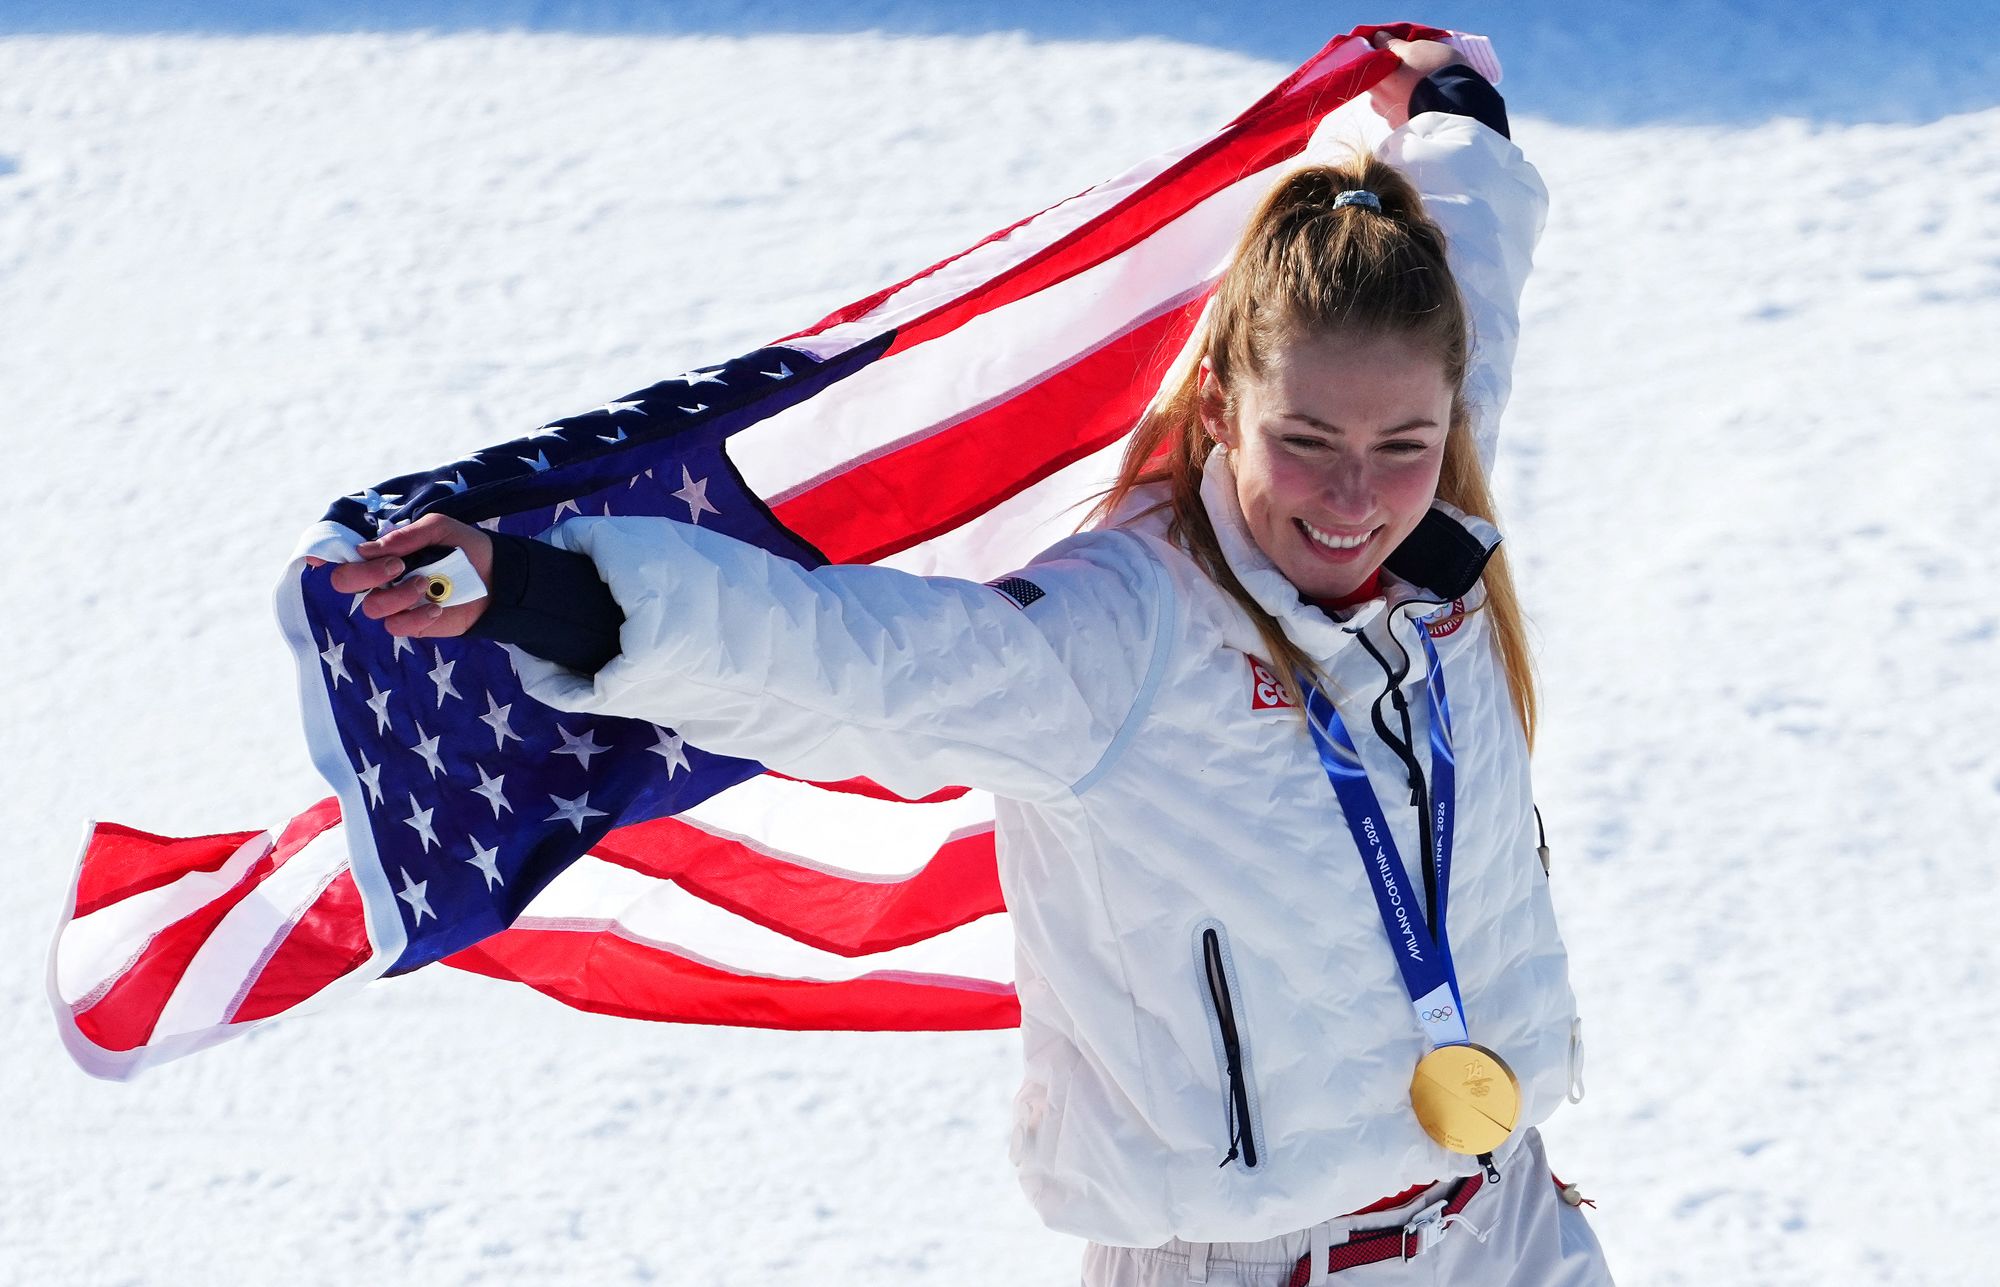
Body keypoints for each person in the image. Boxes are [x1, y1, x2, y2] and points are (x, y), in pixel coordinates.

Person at [332, 31, 1612, 1286]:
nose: (1354, 497)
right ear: (1221, 406)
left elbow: (1475, 282)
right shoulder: (1125, 635)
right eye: (1306, 440)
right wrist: (541, 596)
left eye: (1402, 445)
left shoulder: (1439, 518)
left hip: (1505, 1221)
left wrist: (1456, 119)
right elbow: (847, 664)